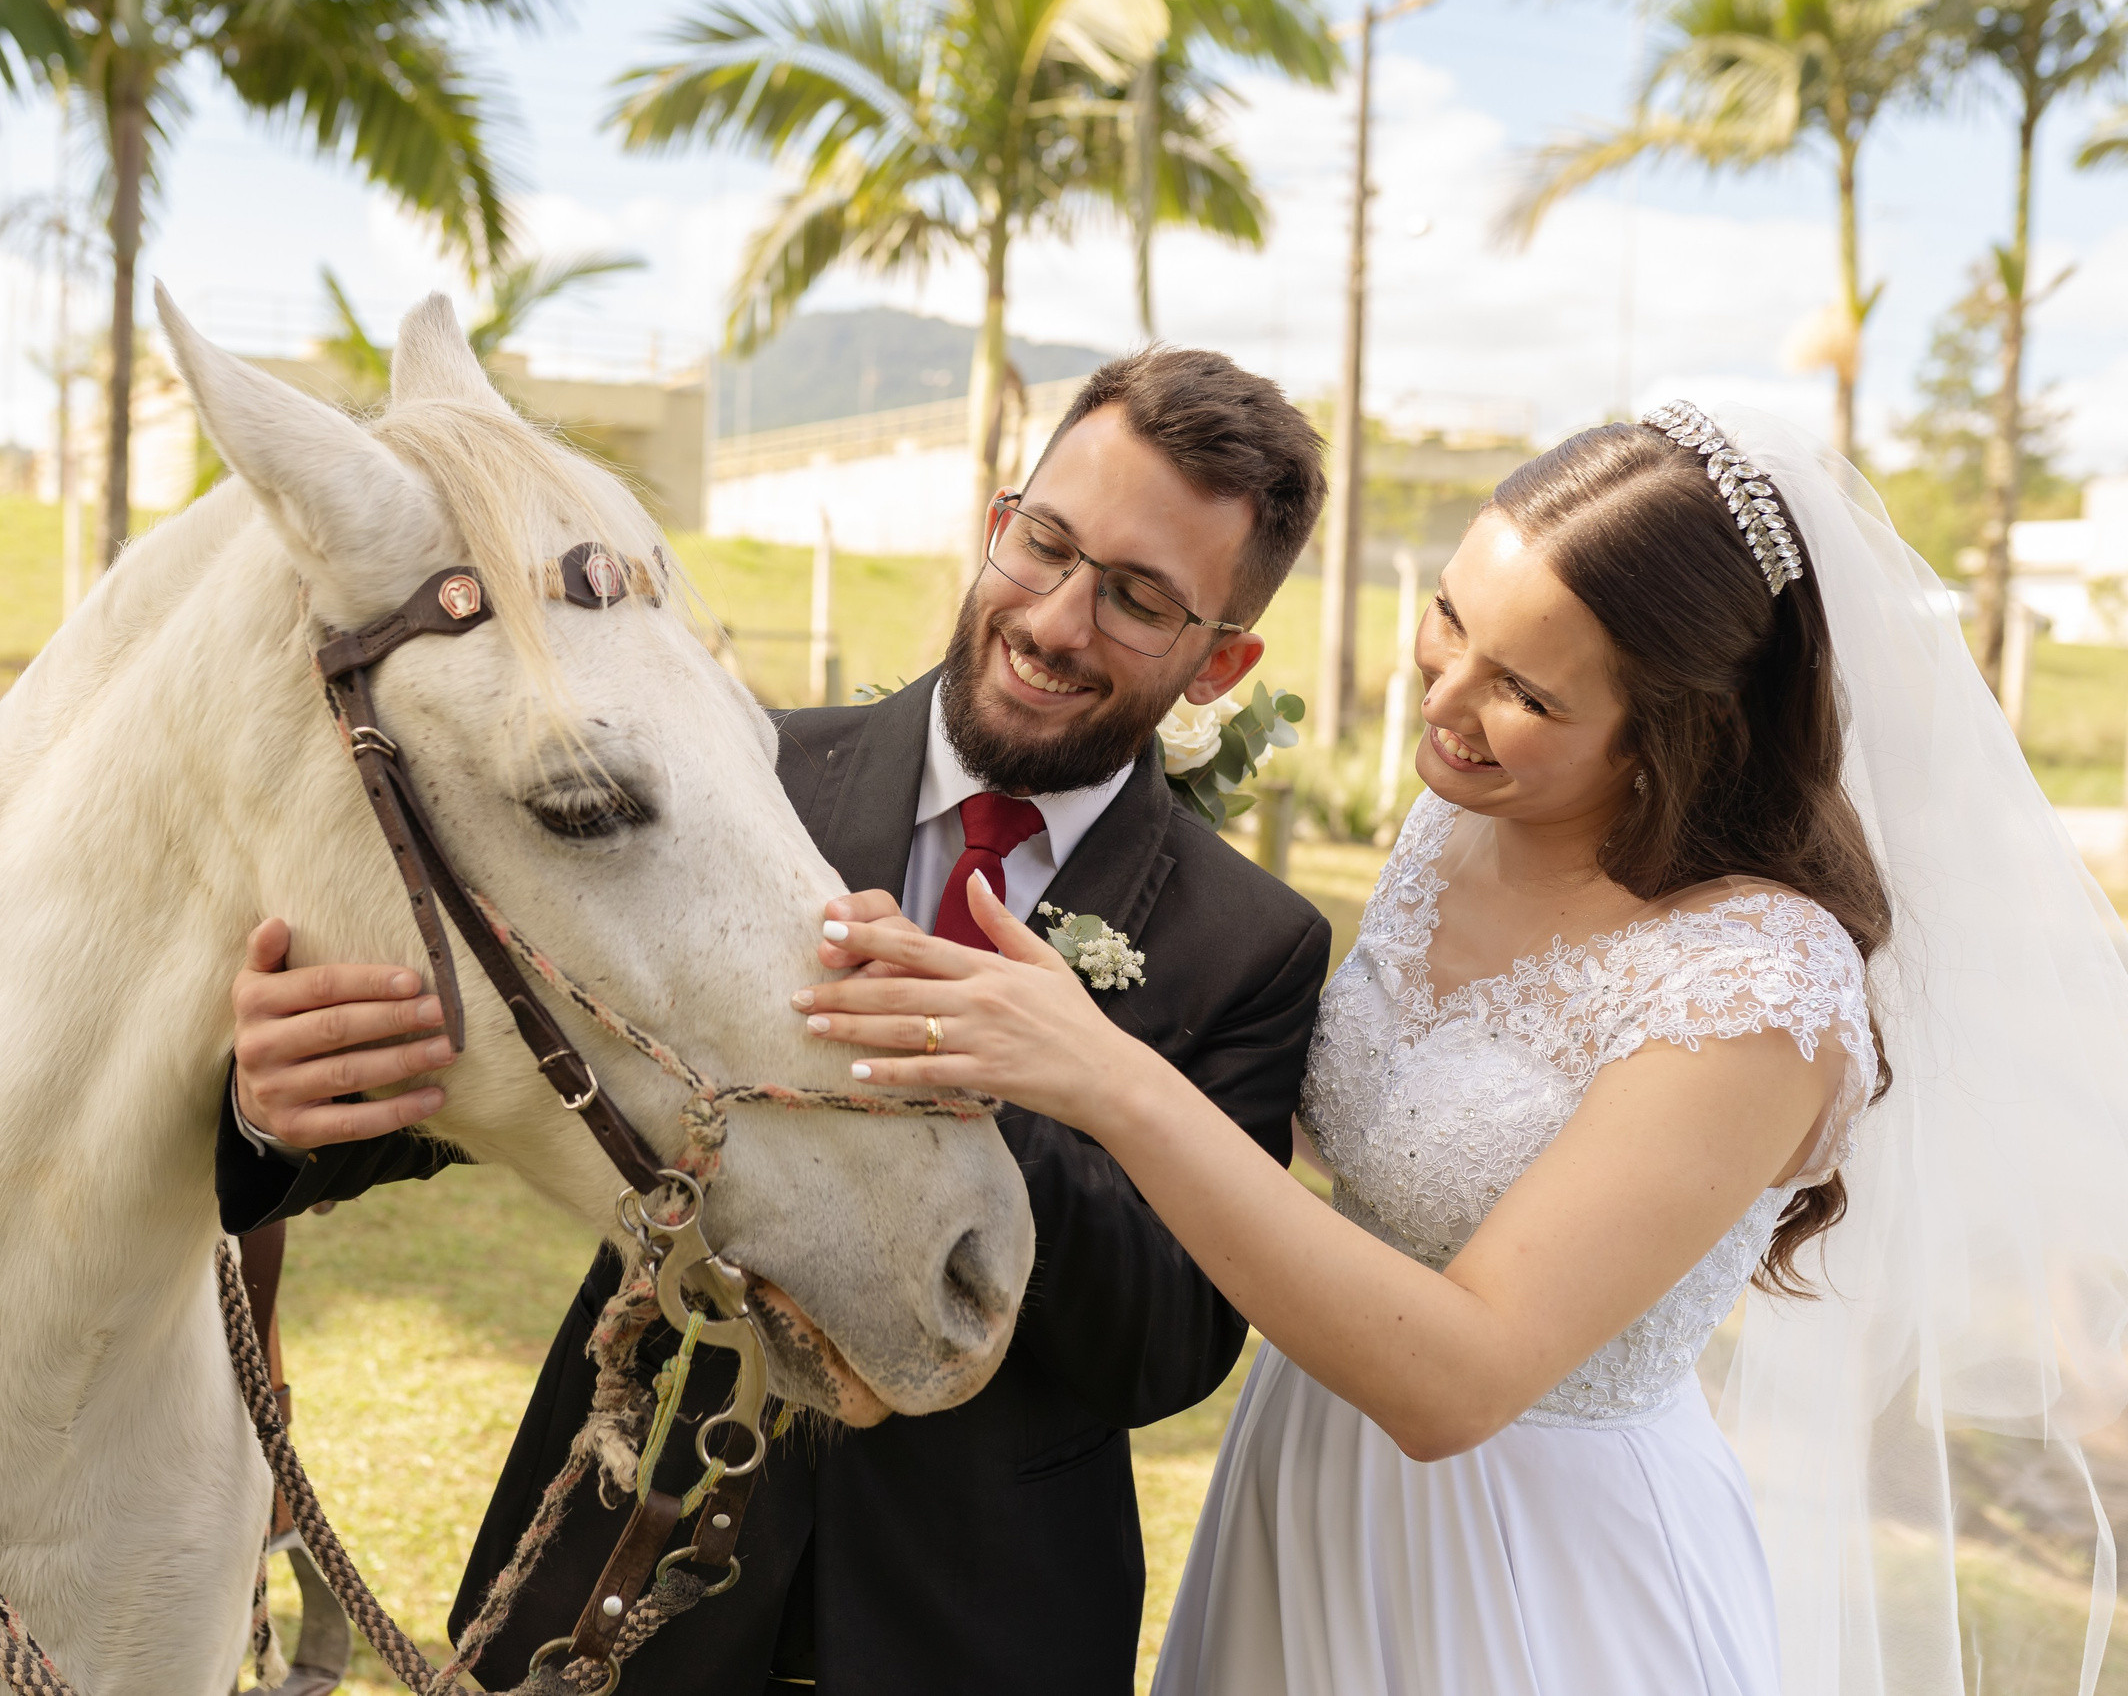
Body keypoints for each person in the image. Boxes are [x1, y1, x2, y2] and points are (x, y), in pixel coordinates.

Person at [796, 403, 2128, 1694]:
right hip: (1306, 1501)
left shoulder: (1755, 990)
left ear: (1676, 728)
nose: (1446, 698)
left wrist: (1104, 1073)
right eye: (1450, 619)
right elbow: (1375, 1121)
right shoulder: (1455, 831)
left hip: (1525, 1559)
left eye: (1526, 691)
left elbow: (1460, 1380)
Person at [214, 346, 1334, 1693]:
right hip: (614, 1602)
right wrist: (270, 1115)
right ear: (999, 522)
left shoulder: (1255, 946)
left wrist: (1025, 1074)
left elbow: (1168, 1348)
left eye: (1140, 599)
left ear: (1223, 665)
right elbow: (504, 1046)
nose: (1054, 619)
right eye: (1044, 544)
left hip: (977, 1640)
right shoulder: (738, 772)